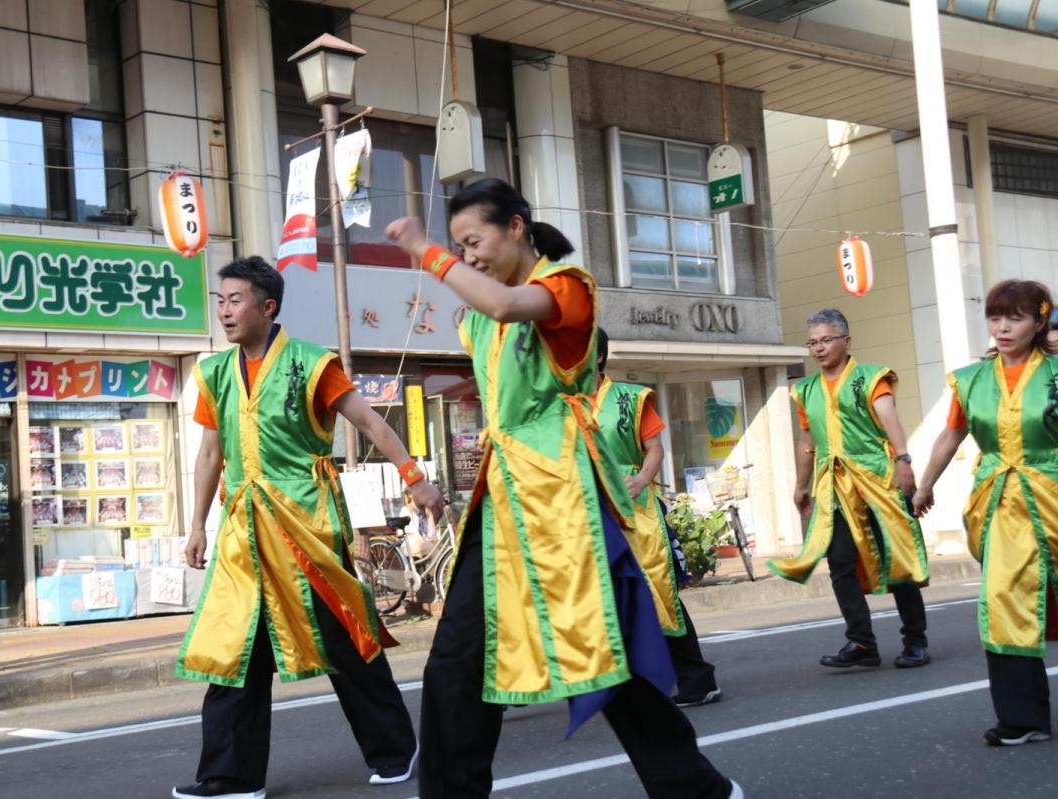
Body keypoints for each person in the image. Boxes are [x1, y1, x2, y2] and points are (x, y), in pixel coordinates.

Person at [386, 178, 739, 798]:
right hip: (501, 502)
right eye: (458, 246)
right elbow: (487, 313)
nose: (467, 255)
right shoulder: (483, 315)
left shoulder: (567, 288)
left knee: (604, 655)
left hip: (562, 499)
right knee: (456, 662)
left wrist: (426, 252)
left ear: (517, 227)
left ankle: (697, 790)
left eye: (475, 241)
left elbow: (501, 305)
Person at [172, 256, 444, 799]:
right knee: (237, 648)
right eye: (220, 301)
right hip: (243, 533)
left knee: (342, 642)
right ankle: (231, 776)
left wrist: (415, 478)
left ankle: (395, 746)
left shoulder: (311, 363)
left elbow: (367, 420)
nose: (224, 311)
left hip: (306, 528)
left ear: (267, 307)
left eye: (235, 300)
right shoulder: (214, 373)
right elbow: (209, 455)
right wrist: (197, 525)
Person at [914, 279, 1057, 746]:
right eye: (996, 317)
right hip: (1000, 503)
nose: (1002, 327)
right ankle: (1022, 718)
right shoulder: (971, 380)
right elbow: (950, 437)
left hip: (1053, 494)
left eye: (1015, 317)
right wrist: (924, 485)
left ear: (1040, 322)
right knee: (1003, 601)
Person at [769, 309, 930, 669]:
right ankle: (861, 643)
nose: (819, 348)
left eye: (826, 340)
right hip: (833, 486)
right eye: (812, 342)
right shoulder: (806, 389)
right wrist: (801, 485)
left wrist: (904, 461)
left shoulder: (871, 378)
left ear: (846, 341)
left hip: (878, 481)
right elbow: (807, 440)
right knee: (839, 562)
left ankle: (915, 640)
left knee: (897, 558)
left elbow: (890, 419)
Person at [592, 328, 720, 707]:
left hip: (635, 510)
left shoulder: (631, 398)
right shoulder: (562, 404)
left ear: (598, 358)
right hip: (587, 510)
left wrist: (643, 478)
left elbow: (654, 449)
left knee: (656, 592)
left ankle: (696, 677)